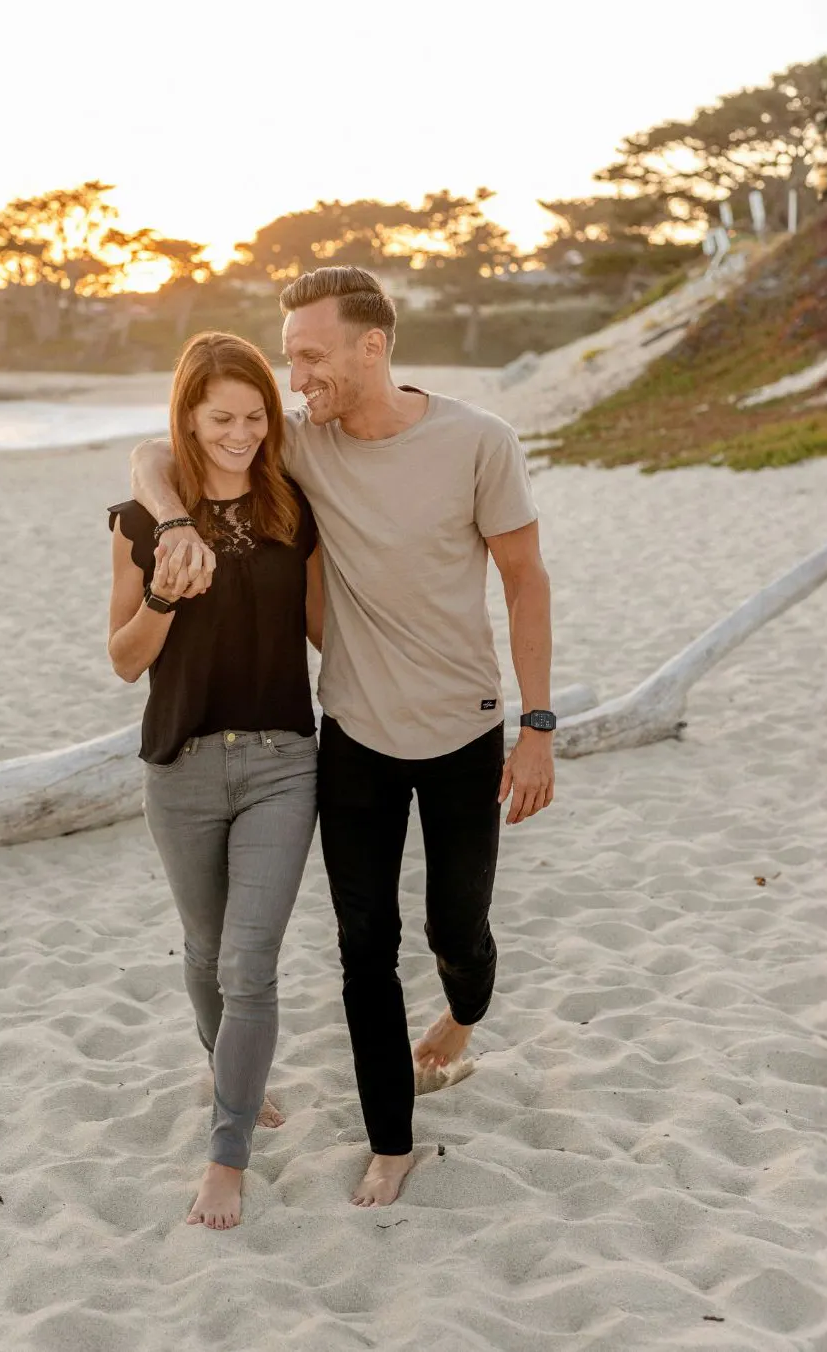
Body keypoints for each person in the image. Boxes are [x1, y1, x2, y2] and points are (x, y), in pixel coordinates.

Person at [129, 266, 556, 1209]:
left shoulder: (478, 441)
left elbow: (526, 581)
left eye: (312, 356)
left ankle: (462, 1014)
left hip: (467, 729)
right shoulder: (305, 447)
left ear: (374, 346)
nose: (296, 378)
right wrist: (165, 523)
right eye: (290, 359)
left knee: (458, 932)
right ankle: (391, 1138)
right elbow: (161, 454)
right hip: (354, 733)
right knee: (363, 945)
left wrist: (538, 724)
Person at [107, 331, 324, 1231]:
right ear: (187, 421)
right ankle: (228, 1065)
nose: (240, 434)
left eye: (254, 417)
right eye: (221, 418)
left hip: (282, 761)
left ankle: (225, 1154)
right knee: (202, 952)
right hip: (181, 765)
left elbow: (326, 633)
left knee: (248, 963)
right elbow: (123, 662)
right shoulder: (140, 518)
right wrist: (162, 591)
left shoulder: (293, 510)